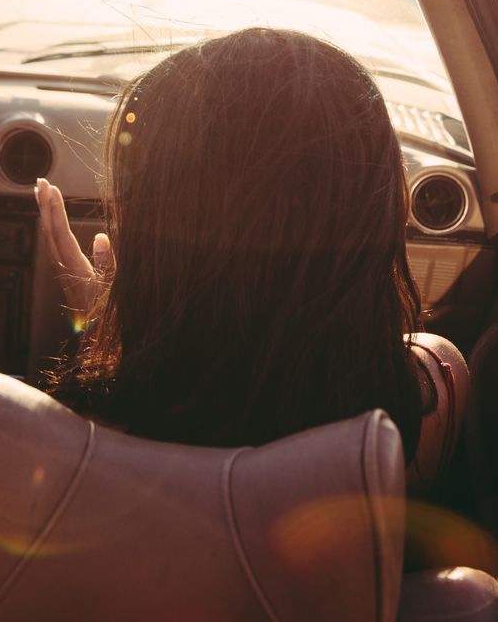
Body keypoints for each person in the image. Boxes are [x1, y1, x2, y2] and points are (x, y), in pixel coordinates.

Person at [37, 27, 460, 478]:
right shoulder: (429, 393)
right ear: (371, 217)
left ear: (155, 245)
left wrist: (104, 347)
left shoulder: (74, 438)